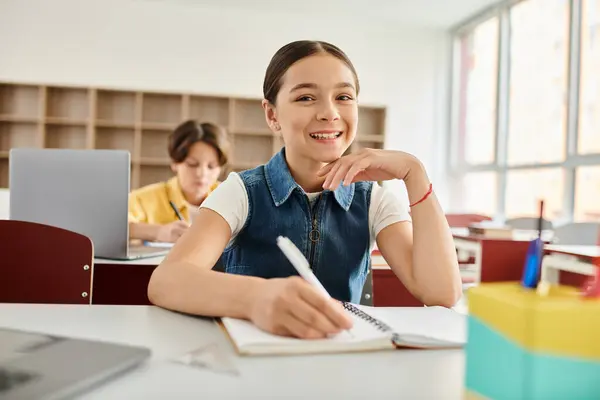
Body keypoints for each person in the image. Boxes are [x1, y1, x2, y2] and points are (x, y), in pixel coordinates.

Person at [147, 40, 462, 339]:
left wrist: (415, 173)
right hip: (251, 361)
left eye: (343, 96)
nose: (329, 113)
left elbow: (441, 292)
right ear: (273, 116)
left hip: (342, 360)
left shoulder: (374, 200)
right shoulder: (240, 192)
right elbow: (166, 282)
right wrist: (256, 297)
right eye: (306, 98)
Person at [128, 120, 230, 243]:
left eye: (211, 166)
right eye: (192, 164)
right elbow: (114, 227)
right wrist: (158, 232)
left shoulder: (230, 198)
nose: (202, 174)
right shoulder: (143, 199)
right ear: (175, 163)